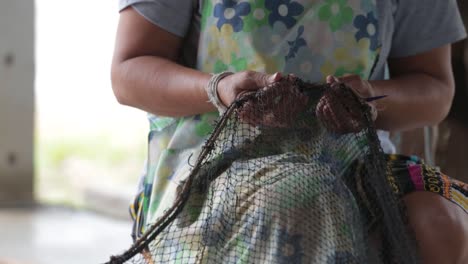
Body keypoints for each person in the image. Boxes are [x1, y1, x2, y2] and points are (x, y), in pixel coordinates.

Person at [112, 0, 468, 262]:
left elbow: (436, 89)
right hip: (214, 158)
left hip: (356, 159)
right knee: (294, 201)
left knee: (440, 223)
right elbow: (129, 72)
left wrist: (369, 101)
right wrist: (219, 88)